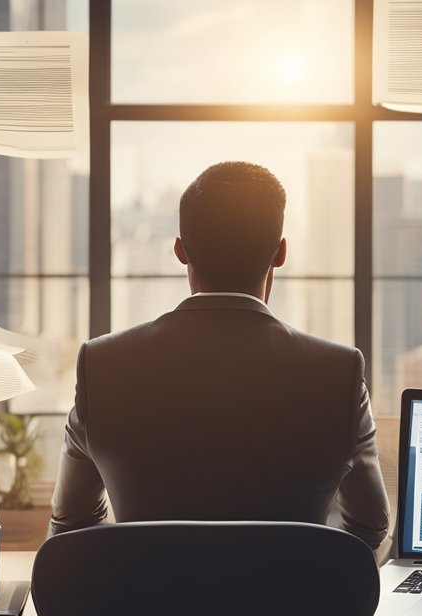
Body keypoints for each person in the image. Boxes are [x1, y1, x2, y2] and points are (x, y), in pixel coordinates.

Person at [48, 161, 389, 549]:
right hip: (292, 609)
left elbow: (72, 526)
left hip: (145, 609)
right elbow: (369, 527)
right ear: (280, 252)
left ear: (179, 250)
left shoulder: (102, 364)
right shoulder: (338, 372)